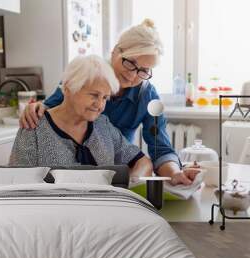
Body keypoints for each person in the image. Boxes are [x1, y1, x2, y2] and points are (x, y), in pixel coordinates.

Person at [19, 19, 199, 186]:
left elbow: (160, 146)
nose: (132, 75)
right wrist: (36, 108)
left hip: (117, 176)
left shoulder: (148, 96)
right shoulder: (86, 75)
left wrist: (175, 173)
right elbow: (52, 110)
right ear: (115, 51)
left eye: (143, 71)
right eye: (130, 63)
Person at [10, 55, 153, 178]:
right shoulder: (34, 126)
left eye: (105, 98)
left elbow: (143, 162)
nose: (100, 105)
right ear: (68, 88)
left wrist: (131, 184)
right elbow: (19, 185)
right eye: (94, 95)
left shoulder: (103, 124)